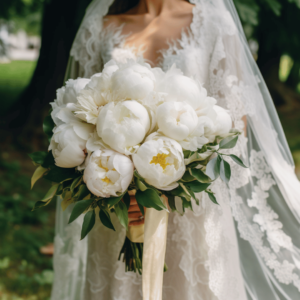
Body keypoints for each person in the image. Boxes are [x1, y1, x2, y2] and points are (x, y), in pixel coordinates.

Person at [51, 0, 300, 299]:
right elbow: (79, 113)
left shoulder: (213, 21)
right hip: (119, 208)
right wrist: (125, 189)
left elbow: (235, 122)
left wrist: (171, 184)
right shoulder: (100, 25)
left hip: (195, 206)